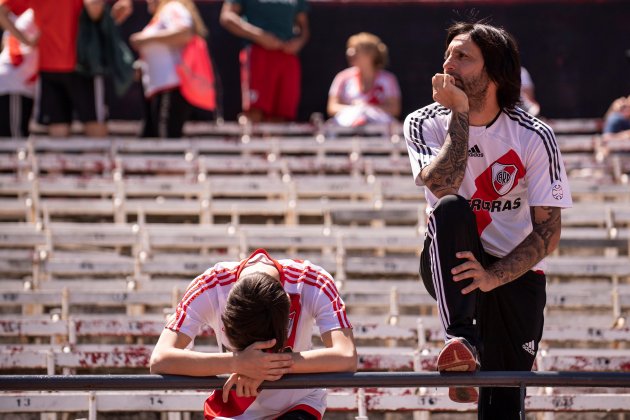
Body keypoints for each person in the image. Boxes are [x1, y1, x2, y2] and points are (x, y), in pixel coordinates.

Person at [403, 22, 572, 418]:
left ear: (494, 71)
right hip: (451, 257)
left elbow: (548, 233)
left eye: (463, 56)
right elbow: (443, 183)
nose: (449, 64)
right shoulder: (423, 121)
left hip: (515, 271)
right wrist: (460, 112)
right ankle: (461, 341)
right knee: (451, 207)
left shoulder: (533, 135)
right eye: (448, 54)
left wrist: (493, 277)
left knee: (504, 402)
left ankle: (479, 366)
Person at [150, 248, 356, 419]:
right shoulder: (210, 285)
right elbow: (160, 359)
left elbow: (346, 356)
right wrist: (238, 362)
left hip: (297, 402)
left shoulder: (312, 280)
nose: (261, 354)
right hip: (234, 407)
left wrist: (265, 365)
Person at [0, 0, 133, 138]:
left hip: (54, 66)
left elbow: (1, 11)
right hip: (81, 65)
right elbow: (96, 11)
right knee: (94, 128)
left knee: (59, 131)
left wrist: (26, 40)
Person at [130, 0, 210, 139]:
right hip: (158, 91)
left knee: (167, 142)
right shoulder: (163, 14)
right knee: (152, 139)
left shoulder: (172, 8)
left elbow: (185, 32)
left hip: (172, 89)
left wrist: (144, 39)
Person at [219, 0, 309, 123]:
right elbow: (227, 16)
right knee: (254, 113)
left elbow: (303, 28)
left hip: (288, 56)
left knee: (283, 115)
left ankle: (277, 142)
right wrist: (258, 35)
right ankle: (250, 142)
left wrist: (298, 42)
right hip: (258, 55)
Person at [327, 32, 401, 127]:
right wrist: (355, 109)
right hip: (347, 129)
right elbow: (332, 107)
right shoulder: (342, 77)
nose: (349, 53)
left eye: (356, 50)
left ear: (370, 55)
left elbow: (395, 109)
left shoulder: (388, 79)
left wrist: (368, 109)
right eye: (349, 49)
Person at [0, 7, 37, 138]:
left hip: (22, 84)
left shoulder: (26, 14)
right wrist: (29, 41)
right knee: (14, 137)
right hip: (13, 85)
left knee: (16, 134)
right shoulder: (30, 16)